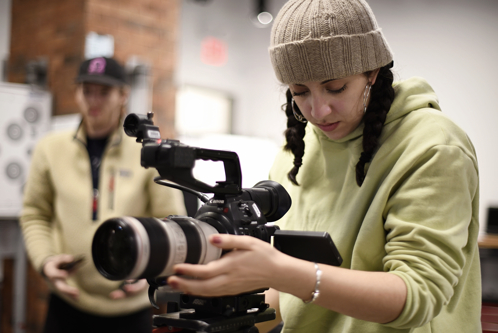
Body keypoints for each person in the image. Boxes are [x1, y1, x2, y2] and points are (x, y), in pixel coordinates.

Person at [165, 0, 481, 332]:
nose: (318, 111)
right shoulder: (296, 153)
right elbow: (285, 291)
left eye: (335, 88)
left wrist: (279, 271)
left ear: (372, 72)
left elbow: (417, 296)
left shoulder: (433, 146)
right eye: (299, 92)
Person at [20, 57, 187, 333]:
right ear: (77, 93)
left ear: (123, 94)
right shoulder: (50, 148)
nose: (93, 100)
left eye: (104, 92)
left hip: (129, 307)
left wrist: (152, 274)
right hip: (66, 303)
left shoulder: (148, 152)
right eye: (86, 90)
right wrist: (46, 260)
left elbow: (171, 221)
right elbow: (35, 213)